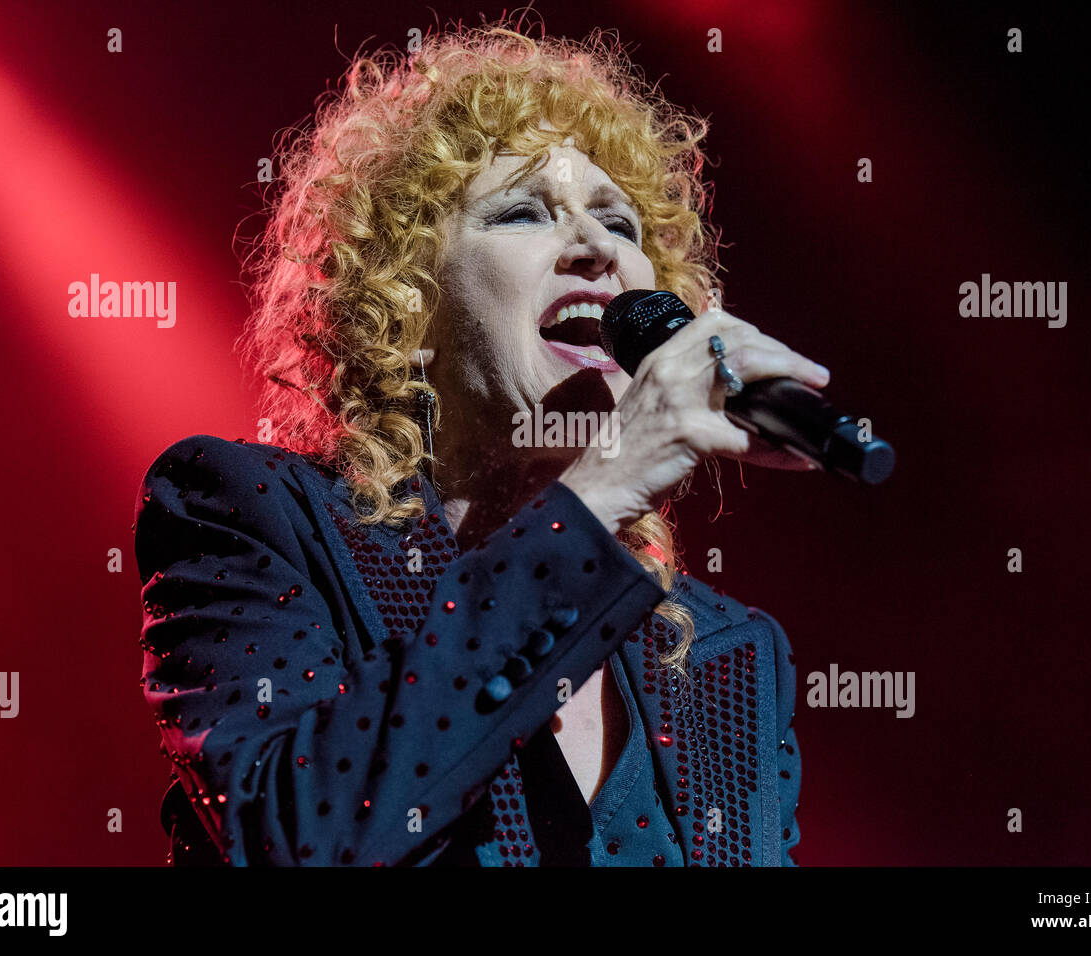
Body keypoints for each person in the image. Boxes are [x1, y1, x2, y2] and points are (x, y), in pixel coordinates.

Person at [134, 21, 826, 866]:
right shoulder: (257, 518)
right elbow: (294, 837)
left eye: (622, 223)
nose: (598, 247)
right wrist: (604, 488)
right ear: (403, 301)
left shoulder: (727, 656)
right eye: (524, 212)